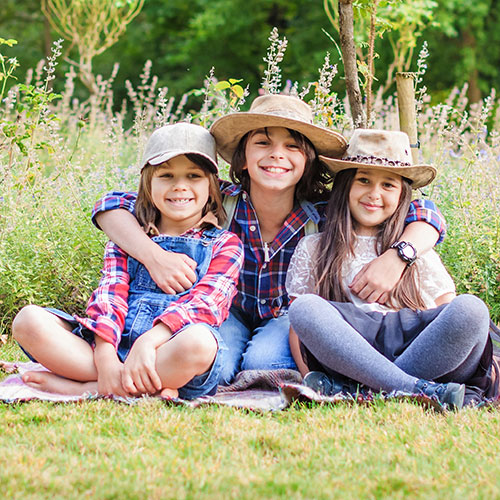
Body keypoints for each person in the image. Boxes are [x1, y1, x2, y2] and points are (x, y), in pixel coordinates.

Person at [91, 94, 447, 386]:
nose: (276, 154)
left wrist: (400, 255)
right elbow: (112, 205)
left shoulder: (324, 213)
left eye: (292, 146)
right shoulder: (220, 201)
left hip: (287, 317)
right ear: (243, 158)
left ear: (307, 162)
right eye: (263, 143)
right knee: (218, 367)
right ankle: (117, 377)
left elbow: (423, 212)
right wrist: (153, 256)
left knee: (263, 365)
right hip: (222, 312)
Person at [12, 123, 244, 399]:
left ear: (212, 186)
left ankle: (92, 388)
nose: (180, 186)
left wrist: (148, 342)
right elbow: (110, 296)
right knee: (28, 321)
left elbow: (206, 305)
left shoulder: (225, 243)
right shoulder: (130, 238)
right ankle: (124, 380)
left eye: (193, 176)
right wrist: (106, 355)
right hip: (115, 343)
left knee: (201, 343)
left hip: (167, 350)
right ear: (148, 183)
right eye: (166, 175)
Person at [286, 129, 495, 409]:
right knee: (305, 309)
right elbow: (299, 330)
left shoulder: (414, 246)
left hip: (420, 349)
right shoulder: (315, 247)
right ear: (346, 185)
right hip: (352, 352)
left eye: (388, 185)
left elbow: (446, 312)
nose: (374, 194)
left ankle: (363, 390)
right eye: (363, 180)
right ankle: (414, 389)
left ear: (402, 195)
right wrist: (308, 375)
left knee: (471, 309)